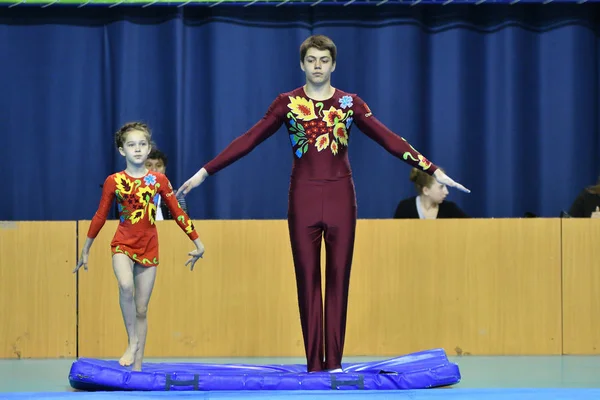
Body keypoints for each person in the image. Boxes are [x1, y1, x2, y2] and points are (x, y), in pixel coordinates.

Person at [176, 35, 469, 373]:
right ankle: (315, 365)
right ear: (302, 64)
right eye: (311, 60)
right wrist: (203, 174)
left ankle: (335, 365)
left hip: (342, 200)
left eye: (323, 60)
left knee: (338, 281)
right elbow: (248, 140)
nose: (317, 66)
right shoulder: (286, 103)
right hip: (302, 200)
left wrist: (430, 168)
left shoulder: (349, 104)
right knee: (308, 283)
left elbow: (388, 138)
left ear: (333, 65)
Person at [74, 122, 205, 372]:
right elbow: (100, 215)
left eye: (142, 144)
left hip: (149, 245)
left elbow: (178, 212)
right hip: (123, 241)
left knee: (142, 309)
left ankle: (138, 367)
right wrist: (86, 248)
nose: (137, 149)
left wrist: (197, 242)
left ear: (148, 149)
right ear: (122, 150)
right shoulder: (114, 181)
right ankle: (131, 341)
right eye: (131, 145)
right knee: (125, 286)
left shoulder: (158, 180)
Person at [393, 168, 469, 219]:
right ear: (426, 190)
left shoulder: (450, 209)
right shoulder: (405, 208)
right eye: (441, 187)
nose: (447, 192)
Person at [145, 148, 189, 219]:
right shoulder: (130, 195)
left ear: (164, 169)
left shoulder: (175, 197)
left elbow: (184, 224)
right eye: (149, 165)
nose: (154, 170)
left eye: (158, 166)